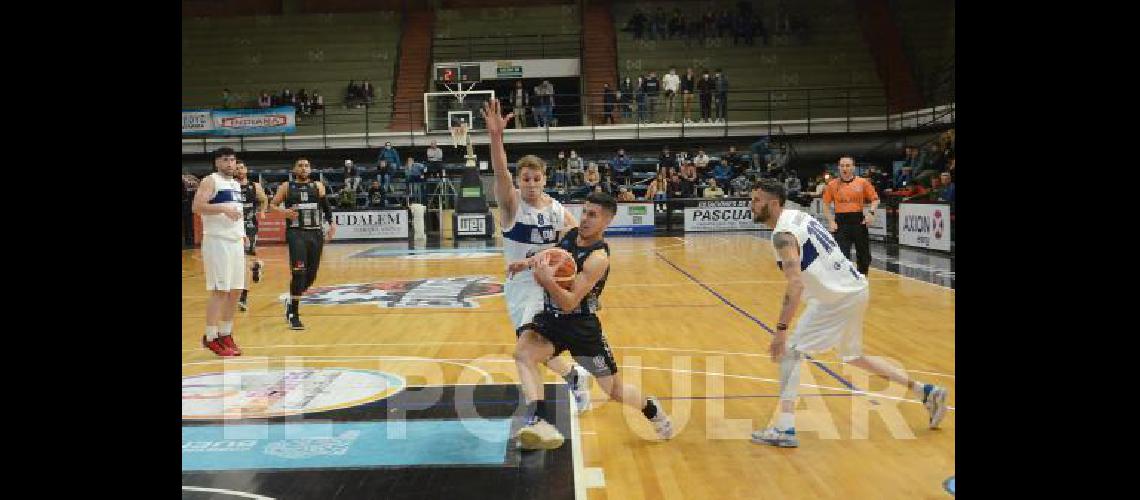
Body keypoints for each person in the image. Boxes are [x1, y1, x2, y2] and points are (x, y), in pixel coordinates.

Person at [748, 180, 949, 447]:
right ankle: (926, 391)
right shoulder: (797, 215)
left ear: (773, 204)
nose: (751, 204)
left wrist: (781, 331)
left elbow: (795, 284)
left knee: (790, 353)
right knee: (853, 357)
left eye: (756, 200)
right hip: (853, 289)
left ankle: (784, 429)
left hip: (837, 297)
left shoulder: (782, 236)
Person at [508, 191, 674, 449]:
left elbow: (569, 302)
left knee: (613, 391)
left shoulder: (598, 259)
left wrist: (547, 281)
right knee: (523, 354)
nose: (585, 219)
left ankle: (651, 409)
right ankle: (538, 420)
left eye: (593, 215)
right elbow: (554, 254)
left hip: (581, 328)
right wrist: (528, 262)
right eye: (584, 212)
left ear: (606, 222)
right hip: (552, 320)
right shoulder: (572, 234)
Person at [480, 97, 594, 418]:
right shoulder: (512, 205)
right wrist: (496, 137)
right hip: (517, 287)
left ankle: (536, 414)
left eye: (536, 179)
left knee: (524, 351)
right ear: (519, 181)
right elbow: (500, 170)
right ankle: (574, 375)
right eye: (525, 179)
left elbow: (579, 240)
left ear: (545, 179)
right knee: (535, 349)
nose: (530, 184)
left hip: (544, 287)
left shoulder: (557, 210)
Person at [270, 158, 337, 330]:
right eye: (300, 165)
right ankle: (294, 314)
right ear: (294, 169)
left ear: (310, 169)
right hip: (296, 233)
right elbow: (272, 205)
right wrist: (283, 211)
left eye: (306, 165)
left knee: (311, 276)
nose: (304, 168)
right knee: (299, 273)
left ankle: (291, 300)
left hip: (316, 233)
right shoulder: (286, 187)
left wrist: (332, 224)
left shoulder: (318, 186)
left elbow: (326, 207)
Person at [192, 147, 247, 357]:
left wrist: (242, 233)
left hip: (234, 240)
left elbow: (235, 211)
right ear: (217, 163)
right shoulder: (210, 180)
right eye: (225, 160)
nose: (230, 164)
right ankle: (210, 336)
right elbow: (197, 206)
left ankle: (225, 333)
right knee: (220, 290)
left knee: (236, 290)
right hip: (217, 242)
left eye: (233, 160)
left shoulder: (234, 183)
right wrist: (222, 209)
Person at [821, 156, 879, 276]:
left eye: (847, 165)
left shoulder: (862, 182)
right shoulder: (832, 185)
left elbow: (875, 200)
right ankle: (844, 280)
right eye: (842, 166)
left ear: (853, 167)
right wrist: (831, 221)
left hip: (858, 221)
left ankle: (863, 277)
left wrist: (871, 212)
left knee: (864, 254)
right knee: (841, 254)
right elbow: (825, 205)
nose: (844, 168)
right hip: (841, 222)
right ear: (838, 168)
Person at [234, 161, 267, 312]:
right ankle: (257, 265)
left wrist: (262, 211)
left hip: (249, 226)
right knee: (238, 262)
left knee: (244, 260)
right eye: (237, 168)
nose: (239, 170)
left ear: (246, 170)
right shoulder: (229, 185)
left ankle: (243, 297)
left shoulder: (254, 186)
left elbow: (264, 199)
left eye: (241, 168)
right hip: (233, 227)